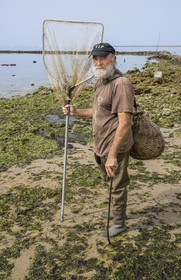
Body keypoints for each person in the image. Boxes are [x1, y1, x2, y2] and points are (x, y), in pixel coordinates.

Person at [62, 43, 135, 237]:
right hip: (100, 143)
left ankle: (119, 224)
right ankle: (117, 212)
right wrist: (75, 112)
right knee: (109, 181)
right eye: (95, 59)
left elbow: (125, 123)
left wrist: (112, 155)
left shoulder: (121, 84)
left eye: (103, 58)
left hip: (115, 147)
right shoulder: (101, 81)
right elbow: (98, 112)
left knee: (117, 184)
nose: (99, 62)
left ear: (113, 58)